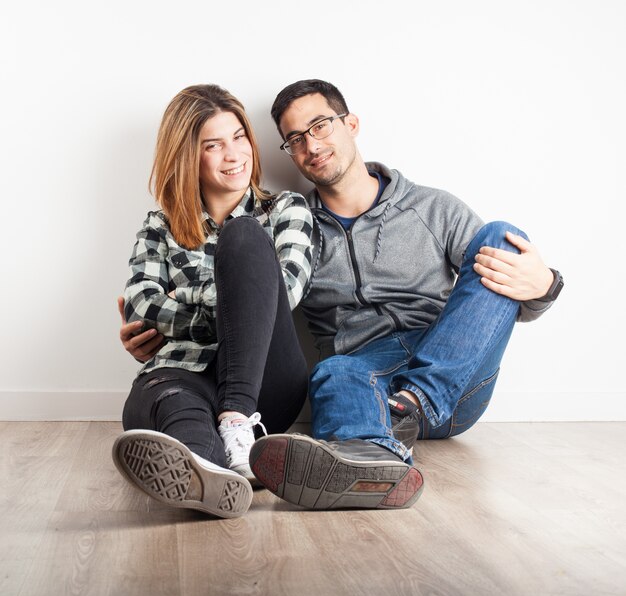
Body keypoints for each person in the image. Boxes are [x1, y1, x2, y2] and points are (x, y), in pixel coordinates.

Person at [120, 79, 564, 512]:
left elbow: (493, 296)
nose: (311, 145)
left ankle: (413, 404)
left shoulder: (432, 209)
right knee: (334, 372)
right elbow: (164, 300)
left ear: (350, 124)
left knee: (502, 238)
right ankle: (368, 459)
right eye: (295, 138)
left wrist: (545, 286)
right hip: (362, 376)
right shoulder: (301, 220)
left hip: (451, 367)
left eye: (320, 126)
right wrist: (214, 312)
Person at [112, 84, 313, 519]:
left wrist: (181, 300)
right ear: (188, 156)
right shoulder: (159, 225)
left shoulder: (283, 211)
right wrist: (237, 304)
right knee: (170, 399)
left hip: (263, 383)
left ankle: (237, 423)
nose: (234, 154)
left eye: (239, 137)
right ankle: (208, 476)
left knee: (243, 237)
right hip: (182, 372)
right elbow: (142, 304)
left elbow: (284, 291)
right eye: (214, 145)